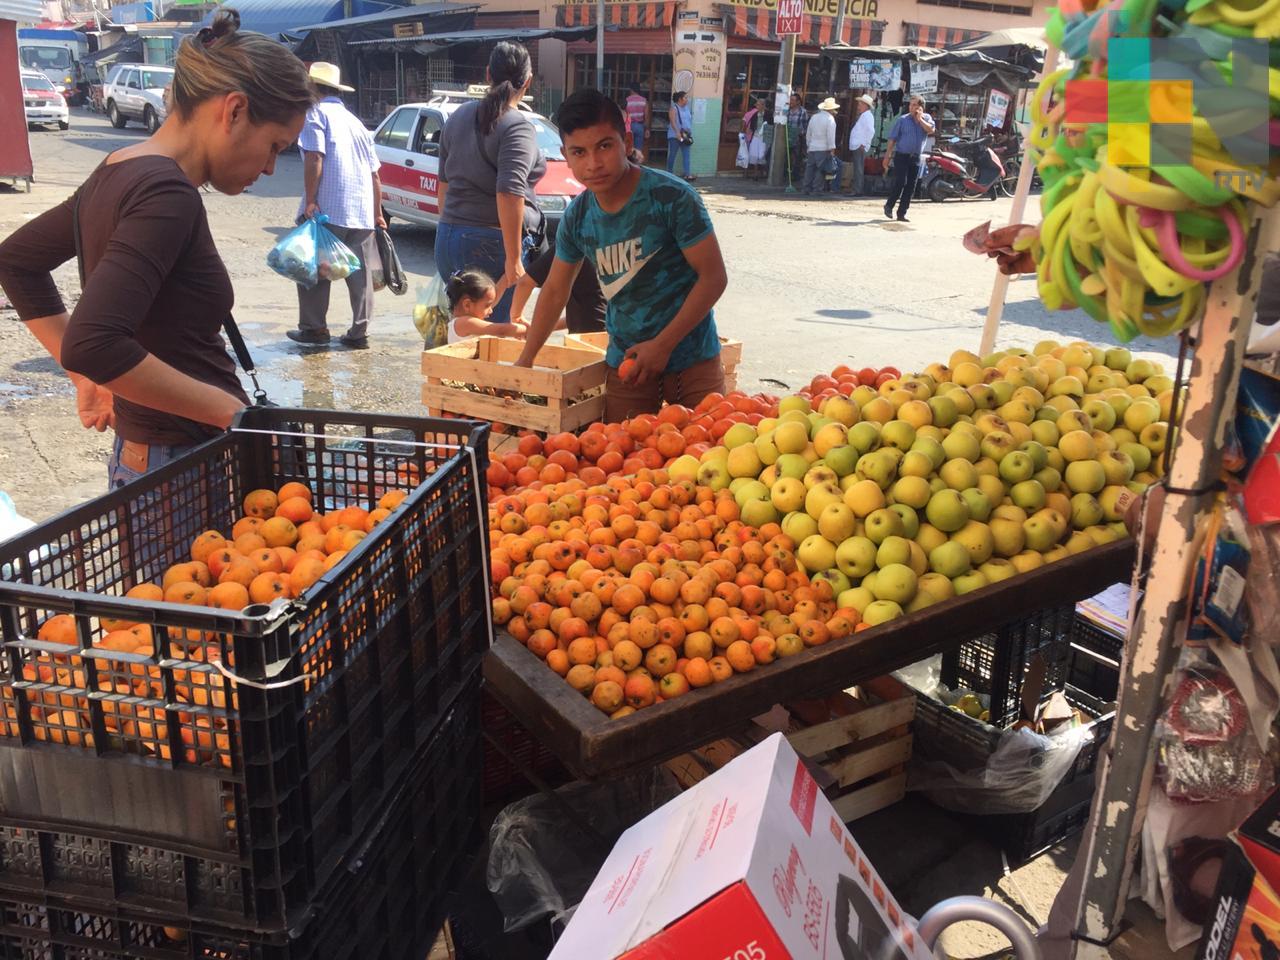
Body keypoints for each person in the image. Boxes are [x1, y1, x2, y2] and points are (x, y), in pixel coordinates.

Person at [0, 9, 312, 489]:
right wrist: (234, 414)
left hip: (155, 458)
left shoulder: (120, 167)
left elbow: (16, 263)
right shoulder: (166, 192)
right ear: (233, 110)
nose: (271, 168)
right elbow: (94, 343)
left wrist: (87, 377)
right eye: (274, 145)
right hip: (178, 467)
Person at [515, 89, 728, 421]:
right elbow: (555, 290)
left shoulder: (672, 197)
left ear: (626, 143)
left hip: (693, 361)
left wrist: (662, 346)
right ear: (565, 156)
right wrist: (526, 359)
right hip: (627, 367)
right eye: (579, 152)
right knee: (620, 452)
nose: (593, 164)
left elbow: (713, 277)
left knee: (705, 448)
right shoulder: (578, 216)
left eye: (604, 146)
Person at [436, 41, 545, 325]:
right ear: (528, 81)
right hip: (490, 244)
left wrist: (451, 228)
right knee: (492, 334)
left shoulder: (457, 117)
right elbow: (509, 193)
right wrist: (514, 259)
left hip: (448, 236)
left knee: (462, 330)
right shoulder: (517, 127)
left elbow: (443, 185)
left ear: (487, 74)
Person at [291, 62, 382, 349]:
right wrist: (377, 213)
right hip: (361, 212)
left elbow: (314, 157)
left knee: (316, 269)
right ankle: (359, 332)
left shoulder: (315, 113)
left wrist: (311, 200)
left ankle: (314, 328)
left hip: (328, 208)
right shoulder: (356, 123)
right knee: (361, 275)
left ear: (312, 87)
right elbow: (375, 174)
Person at [510, 237, 606, 334]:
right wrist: (538, 328)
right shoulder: (610, 243)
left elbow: (525, 283)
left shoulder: (573, 241)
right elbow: (585, 313)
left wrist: (516, 316)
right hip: (608, 330)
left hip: (588, 334)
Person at [883, 95, 935, 222]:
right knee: (901, 181)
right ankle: (889, 205)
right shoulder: (902, 120)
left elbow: (931, 130)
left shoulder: (927, 119)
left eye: (915, 105)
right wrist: (887, 156)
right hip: (902, 156)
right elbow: (892, 139)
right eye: (911, 105)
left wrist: (920, 120)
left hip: (915, 157)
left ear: (921, 107)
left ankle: (901, 213)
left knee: (911, 185)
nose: (912, 108)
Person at [446, 268, 526, 342]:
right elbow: (501, 330)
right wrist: (527, 330)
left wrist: (506, 278)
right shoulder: (464, 323)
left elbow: (492, 299)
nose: (491, 311)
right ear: (467, 305)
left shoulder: (463, 319)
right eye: (487, 306)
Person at [803, 97, 839, 196]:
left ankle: (806, 188)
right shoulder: (830, 119)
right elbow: (830, 136)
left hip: (812, 147)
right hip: (823, 148)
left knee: (810, 168)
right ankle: (817, 189)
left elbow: (808, 133)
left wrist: (808, 145)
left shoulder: (814, 117)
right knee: (820, 169)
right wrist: (832, 149)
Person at [847, 94, 875, 197]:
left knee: (858, 168)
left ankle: (857, 190)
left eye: (860, 104)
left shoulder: (867, 116)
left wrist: (864, 143)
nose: (858, 106)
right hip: (858, 145)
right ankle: (856, 189)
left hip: (860, 145)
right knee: (857, 167)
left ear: (865, 105)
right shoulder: (865, 115)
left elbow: (871, 131)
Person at [667, 90, 694, 181]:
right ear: (680, 99)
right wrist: (677, 133)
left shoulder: (687, 109)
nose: (687, 99)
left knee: (686, 155)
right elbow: (673, 122)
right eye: (685, 97)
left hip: (685, 136)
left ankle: (687, 174)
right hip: (675, 136)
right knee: (673, 154)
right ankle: (669, 173)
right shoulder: (674, 109)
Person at [742, 96, 769, 180]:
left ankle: (765, 172)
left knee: (762, 155)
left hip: (764, 138)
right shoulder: (755, 115)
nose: (757, 106)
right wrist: (749, 130)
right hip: (755, 136)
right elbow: (752, 125)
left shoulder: (768, 115)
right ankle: (755, 174)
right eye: (756, 105)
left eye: (758, 105)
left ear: (763, 105)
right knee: (754, 155)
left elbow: (770, 126)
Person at [786, 93, 808, 180]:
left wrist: (800, 133)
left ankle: (795, 176)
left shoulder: (803, 112)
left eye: (792, 100)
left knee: (797, 157)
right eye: (790, 99)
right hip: (787, 137)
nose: (790, 102)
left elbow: (806, 126)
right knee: (787, 157)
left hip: (798, 138)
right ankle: (786, 174)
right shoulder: (787, 111)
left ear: (798, 102)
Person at [625, 83, 649, 158]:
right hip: (640, 126)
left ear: (631, 90)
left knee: (628, 148)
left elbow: (624, 114)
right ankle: (637, 163)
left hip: (629, 126)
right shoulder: (644, 100)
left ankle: (629, 163)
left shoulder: (627, 100)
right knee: (638, 149)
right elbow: (646, 116)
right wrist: (647, 129)